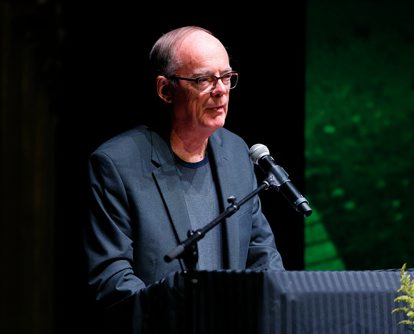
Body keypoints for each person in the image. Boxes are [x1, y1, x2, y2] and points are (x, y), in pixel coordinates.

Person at [82, 26, 284, 333]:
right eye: (204, 79)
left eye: (226, 77)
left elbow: (262, 257)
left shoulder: (236, 153)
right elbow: (112, 279)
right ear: (165, 90)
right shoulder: (117, 164)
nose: (221, 90)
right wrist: (187, 316)